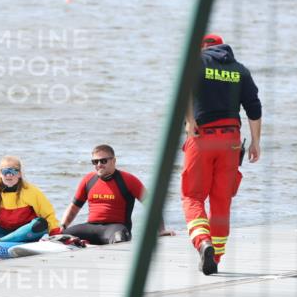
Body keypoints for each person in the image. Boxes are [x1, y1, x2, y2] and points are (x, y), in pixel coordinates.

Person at [182, 33, 262, 275]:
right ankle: (215, 257)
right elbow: (254, 108)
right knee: (221, 200)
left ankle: (202, 242)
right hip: (231, 139)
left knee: (192, 196)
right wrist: (256, 142)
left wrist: (189, 121)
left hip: (202, 137)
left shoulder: (196, 63)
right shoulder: (240, 70)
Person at [60, 144, 174, 244]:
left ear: (114, 161)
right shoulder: (88, 180)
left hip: (116, 228)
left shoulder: (128, 180)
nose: (99, 164)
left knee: (119, 237)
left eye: (103, 161)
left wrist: (161, 229)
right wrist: (63, 226)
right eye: (95, 162)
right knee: (61, 237)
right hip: (91, 227)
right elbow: (74, 207)